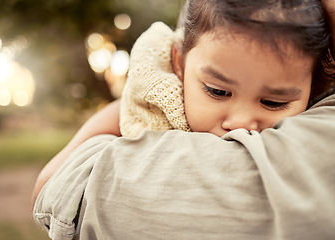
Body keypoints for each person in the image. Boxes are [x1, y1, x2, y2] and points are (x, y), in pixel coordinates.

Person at [32, 0, 335, 239]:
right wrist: (121, 108)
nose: (241, 122)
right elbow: (48, 185)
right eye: (218, 91)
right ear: (178, 61)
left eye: (274, 102)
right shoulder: (152, 102)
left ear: (316, 87)